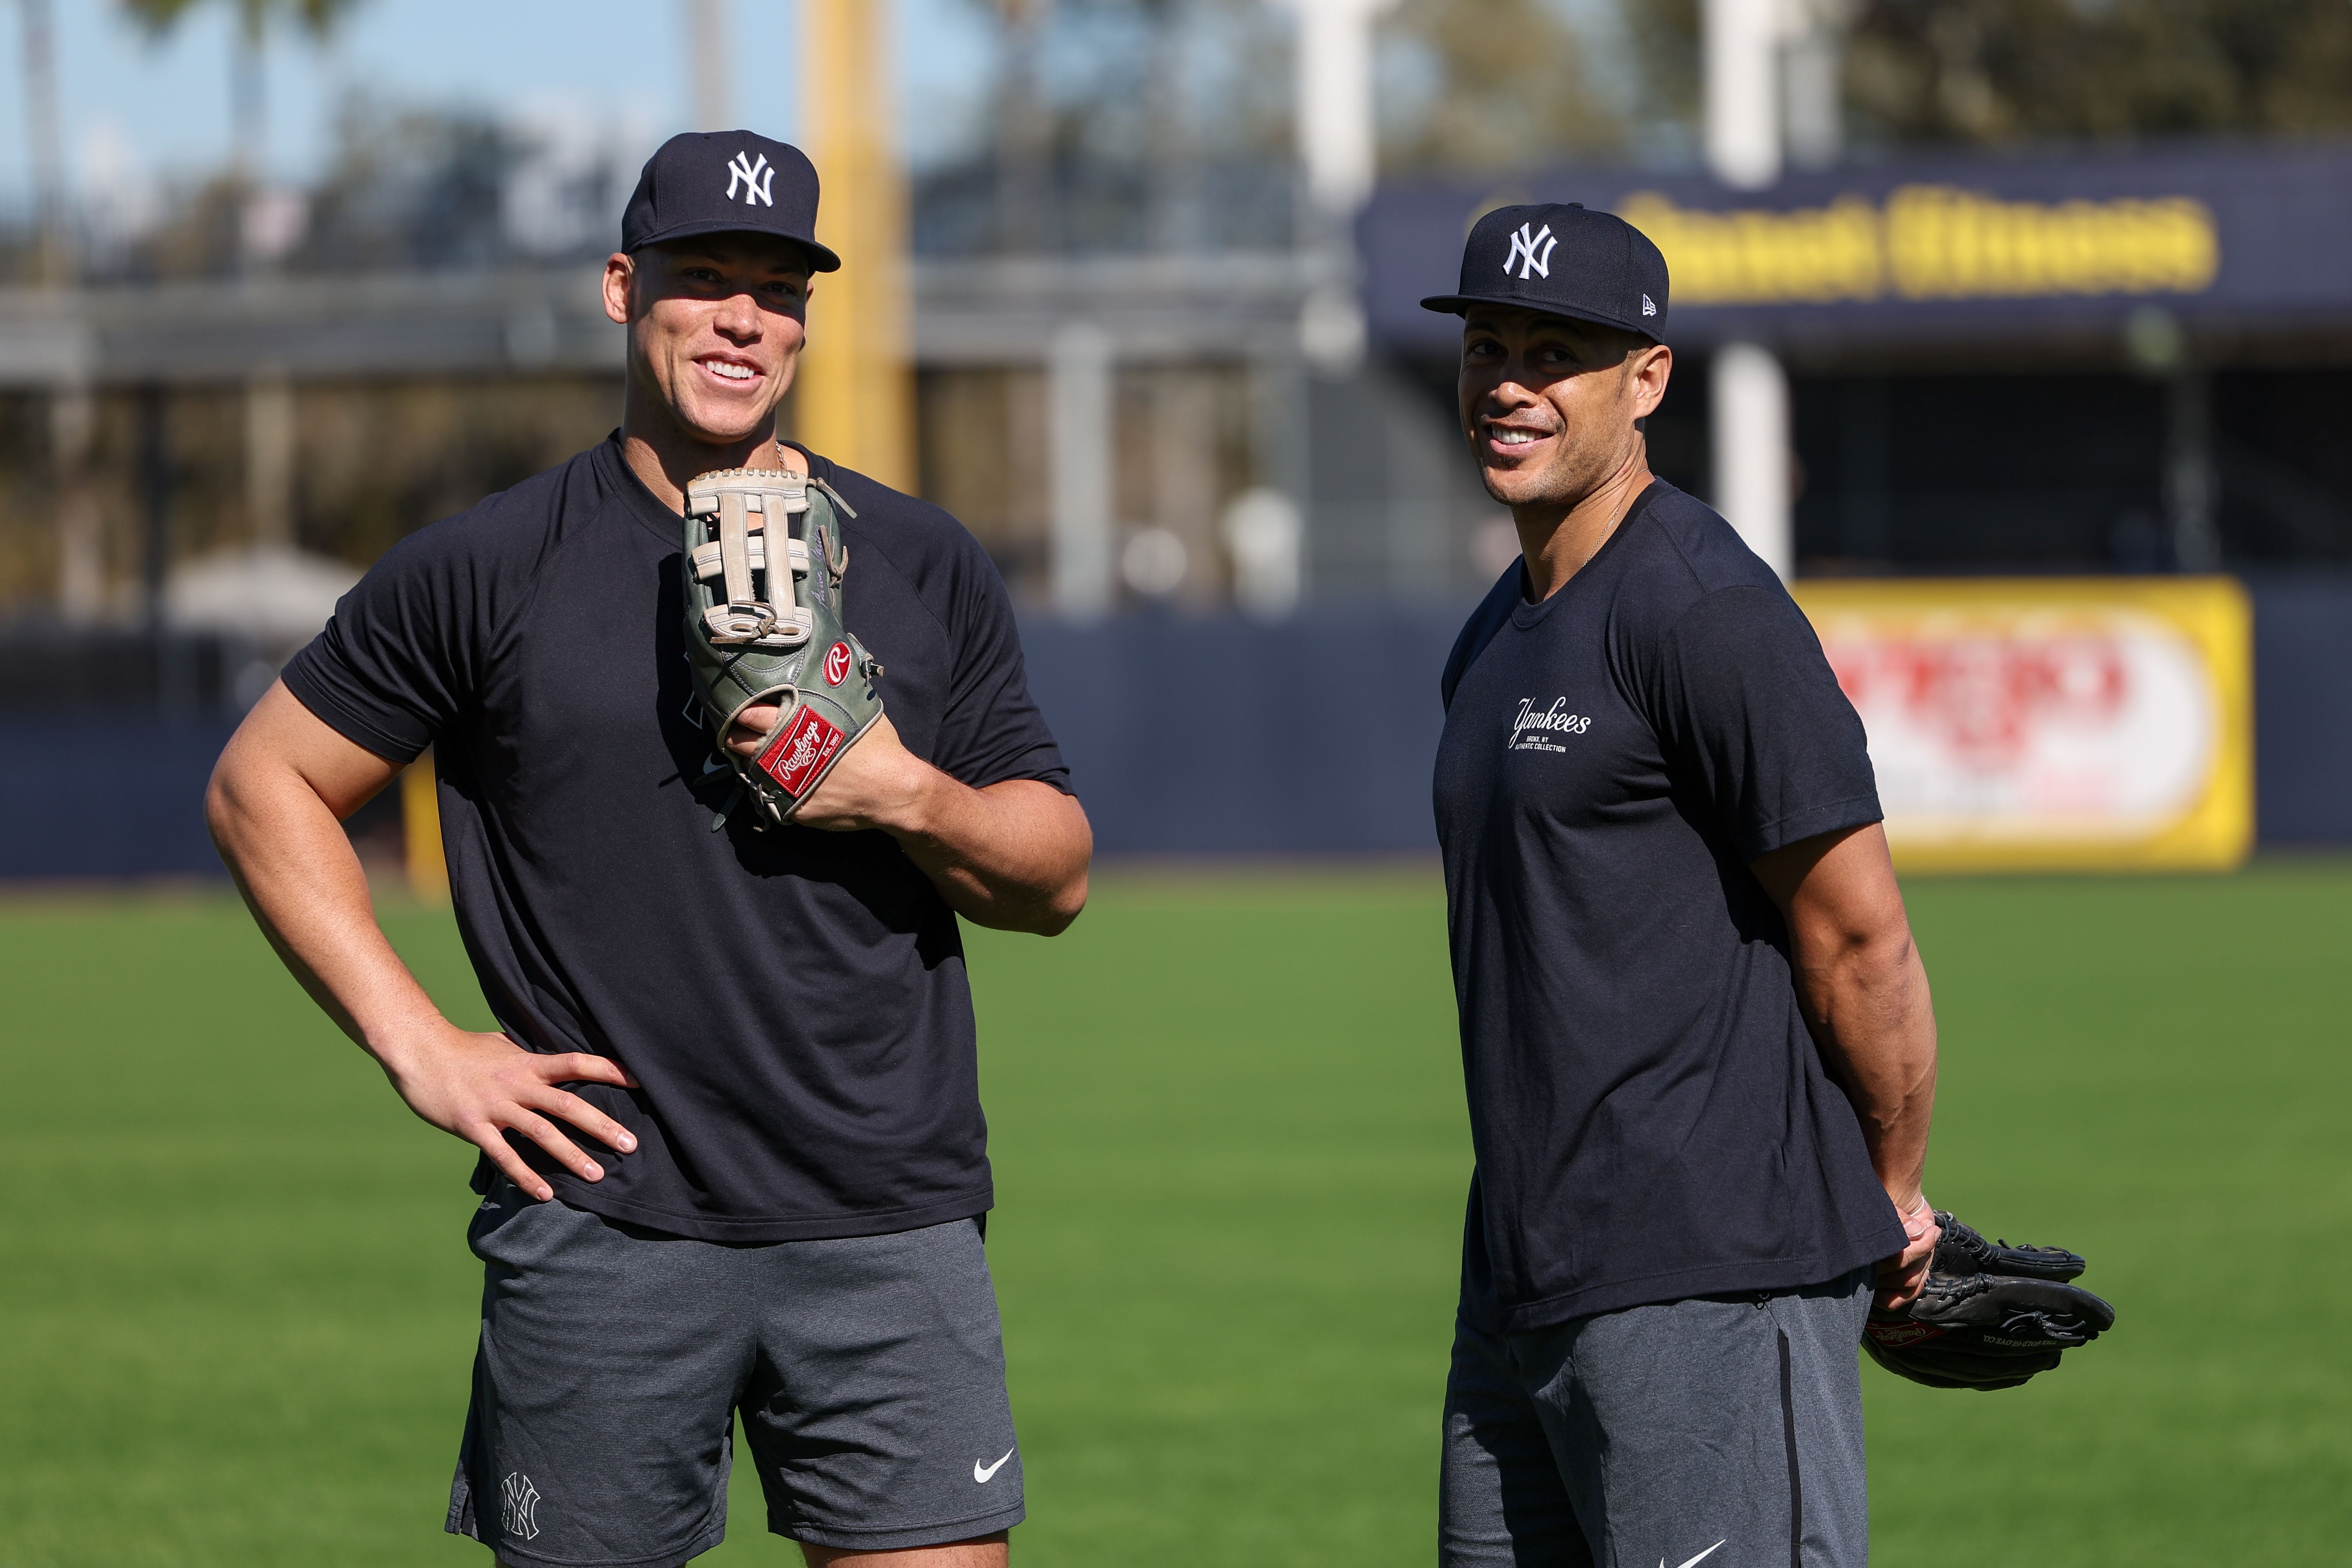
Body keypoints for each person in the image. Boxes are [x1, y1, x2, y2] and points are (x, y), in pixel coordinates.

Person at [206, 130, 1090, 1568]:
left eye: (778, 288)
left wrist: (898, 791)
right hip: (604, 1227)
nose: (743, 317)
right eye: (704, 277)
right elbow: (265, 786)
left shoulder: (922, 558)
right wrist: (422, 1043)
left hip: (887, 1222)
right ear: (625, 287)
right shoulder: (492, 565)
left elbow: (1054, 872)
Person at [1422, 203, 1941, 1568]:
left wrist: (1890, 1197)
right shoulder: (1495, 629)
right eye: (1490, 346)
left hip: (1709, 1268)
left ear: (1647, 377)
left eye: (1558, 353)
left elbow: (1861, 935)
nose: (1513, 382)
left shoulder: (1705, 609)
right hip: (1525, 1275)